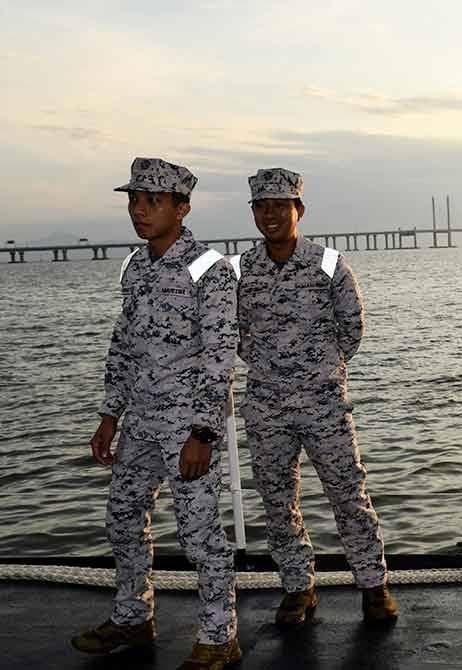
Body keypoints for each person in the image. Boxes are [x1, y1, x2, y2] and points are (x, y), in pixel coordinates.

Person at [72, 158, 241, 669]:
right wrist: (109, 415)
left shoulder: (208, 269)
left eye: (153, 201)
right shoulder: (135, 266)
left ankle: (219, 636)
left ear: (182, 208)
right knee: (122, 517)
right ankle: (133, 618)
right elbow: (123, 345)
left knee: (199, 532)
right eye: (134, 200)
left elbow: (220, 354)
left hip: (187, 424)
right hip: (141, 421)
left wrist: (204, 433)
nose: (139, 211)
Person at [231, 168, 396, 626]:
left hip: (324, 403)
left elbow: (353, 328)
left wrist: (321, 370)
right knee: (277, 500)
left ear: (298, 210)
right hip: (266, 407)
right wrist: (271, 368)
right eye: (261, 207)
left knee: (348, 492)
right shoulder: (242, 269)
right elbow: (236, 335)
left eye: (280, 206)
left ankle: (374, 584)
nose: (270, 215)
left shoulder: (328, 264)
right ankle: (297, 587)